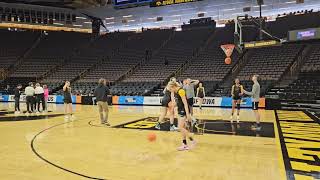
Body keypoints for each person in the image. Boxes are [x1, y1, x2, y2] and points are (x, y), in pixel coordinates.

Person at [167, 81, 196, 151]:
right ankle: (184, 144)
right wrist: (173, 107)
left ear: (173, 87)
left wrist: (188, 114)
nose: (171, 91)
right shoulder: (176, 92)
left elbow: (185, 104)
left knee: (180, 127)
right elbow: (179, 102)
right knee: (182, 128)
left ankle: (192, 140)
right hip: (180, 111)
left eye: (170, 89)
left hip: (184, 111)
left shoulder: (181, 91)